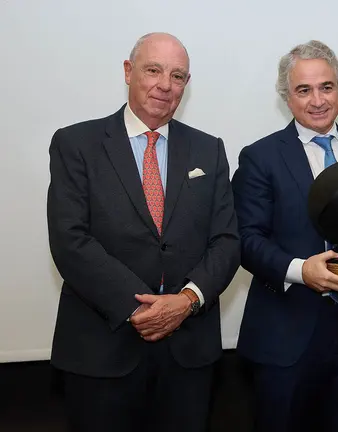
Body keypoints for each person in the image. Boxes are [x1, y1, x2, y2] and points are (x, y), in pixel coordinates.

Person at [46, 32, 240, 432]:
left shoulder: (209, 149)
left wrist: (186, 300)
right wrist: (140, 309)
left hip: (188, 355)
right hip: (101, 352)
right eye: (153, 70)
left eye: (178, 76)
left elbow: (226, 240)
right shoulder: (75, 143)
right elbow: (70, 240)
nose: (165, 85)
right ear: (128, 71)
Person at [231, 40, 338, 432]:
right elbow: (246, 238)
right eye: (303, 90)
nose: (317, 100)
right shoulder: (260, 157)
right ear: (285, 97)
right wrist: (299, 270)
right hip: (287, 339)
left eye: (326, 87)